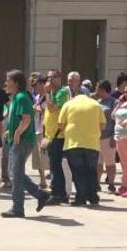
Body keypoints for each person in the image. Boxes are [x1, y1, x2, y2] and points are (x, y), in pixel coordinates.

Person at [1, 70, 49, 218]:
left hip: (22, 141)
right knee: (15, 173)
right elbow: (17, 118)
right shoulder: (16, 97)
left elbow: (26, 119)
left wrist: (17, 133)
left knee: (15, 174)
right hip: (17, 140)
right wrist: (10, 130)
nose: (5, 83)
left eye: (8, 80)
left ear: (15, 82)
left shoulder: (21, 97)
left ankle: (18, 208)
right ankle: (40, 194)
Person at [58, 93, 105, 206]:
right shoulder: (96, 105)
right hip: (92, 143)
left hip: (73, 143)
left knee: (78, 171)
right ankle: (93, 197)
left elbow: (60, 124)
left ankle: (81, 198)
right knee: (91, 170)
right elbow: (103, 125)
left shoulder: (68, 104)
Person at [43, 69, 72, 205]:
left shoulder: (62, 92)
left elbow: (52, 109)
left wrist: (48, 93)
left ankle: (58, 194)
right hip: (50, 134)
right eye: (48, 77)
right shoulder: (52, 93)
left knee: (56, 166)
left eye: (52, 77)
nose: (49, 80)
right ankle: (59, 193)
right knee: (54, 165)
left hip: (58, 135)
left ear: (59, 78)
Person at [95, 80, 117, 194]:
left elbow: (117, 121)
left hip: (108, 137)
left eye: (97, 88)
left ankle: (111, 185)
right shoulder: (97, 102)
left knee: (110, 163)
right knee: (98, 163)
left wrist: (114, 136)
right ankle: (97, 184)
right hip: (96, 137)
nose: (95, 90)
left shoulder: (114, 102)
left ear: (103, 89)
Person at [29, 73, 48, 189]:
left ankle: (50, 180)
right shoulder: (36, 98)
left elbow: (50, 112)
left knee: (45, 158)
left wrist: (39, 109)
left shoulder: (48, 97)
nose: (35, 87)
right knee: (38, 158)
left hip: (44, 130)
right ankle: (42, 180)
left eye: (37, 84)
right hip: (36, 129)